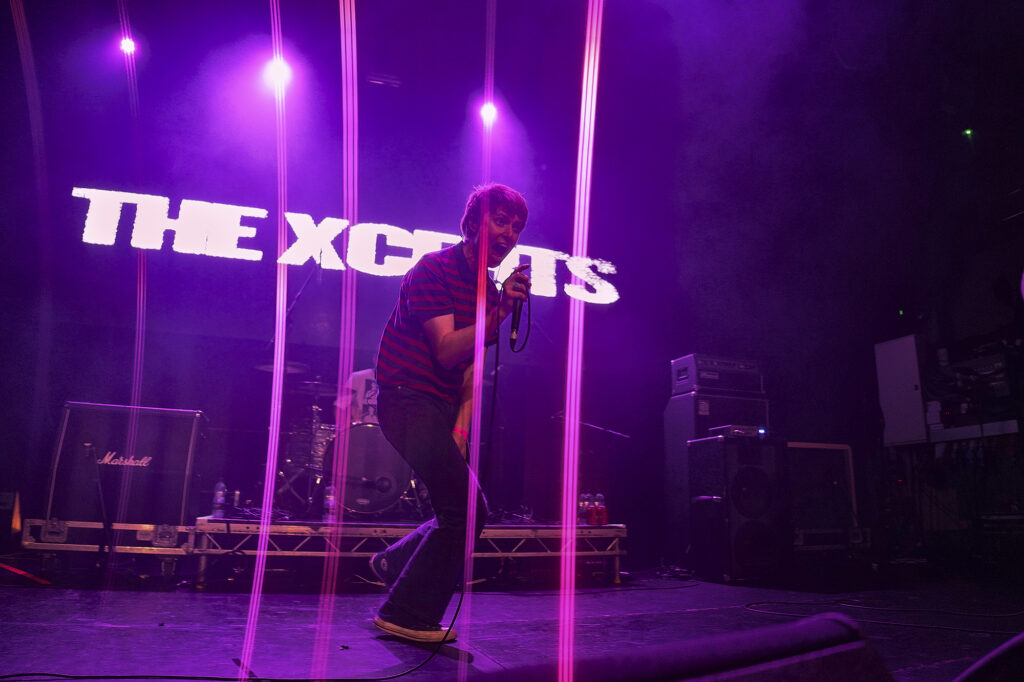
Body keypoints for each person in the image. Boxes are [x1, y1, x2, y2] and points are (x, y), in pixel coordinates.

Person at [370, 183, 531, 643]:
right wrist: (499, 313)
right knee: (466, 508)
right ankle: (405, 613)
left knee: (454, 505)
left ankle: (393, 562)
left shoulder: (485, 290)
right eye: (501, 220)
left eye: (516, 227)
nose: (509, 233)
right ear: (473, 222)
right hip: (405, 399)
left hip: (439, 407)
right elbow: (445, 350)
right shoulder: (433, 269)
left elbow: (468, 369)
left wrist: (461, 427)